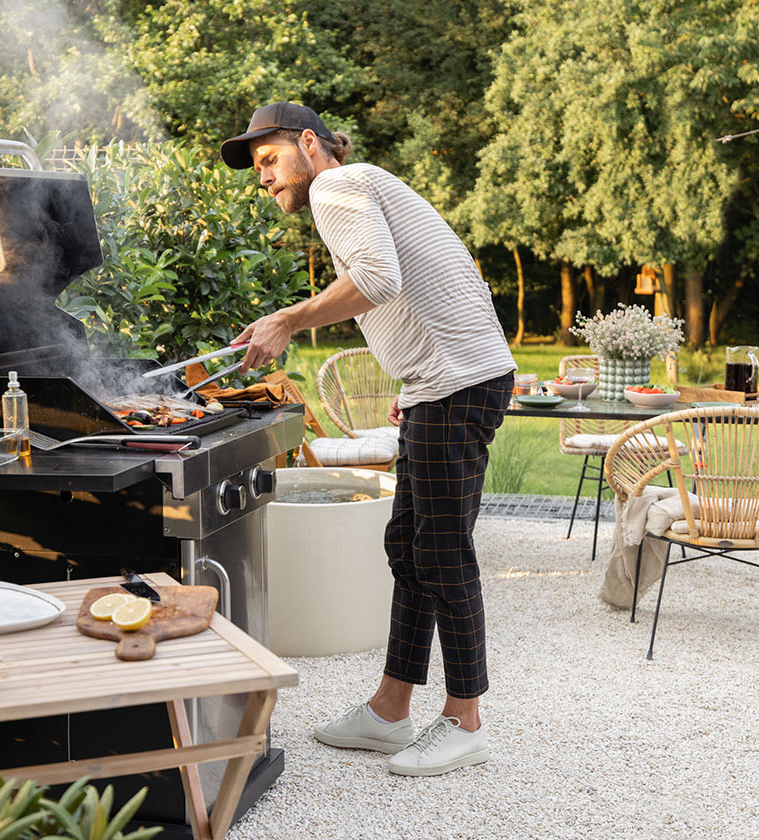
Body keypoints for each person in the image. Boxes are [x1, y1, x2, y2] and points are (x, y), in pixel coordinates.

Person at [222, 102, 517, 777]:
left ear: (307, 143)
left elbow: (378, 280)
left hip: (455, 384)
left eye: (269, 160)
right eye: (257, 169)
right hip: (441, 383)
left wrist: (288, 320)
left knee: (441, 551)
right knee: (408, 545)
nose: (263, 178)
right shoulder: (363, 186)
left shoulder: (336, 185)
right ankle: (389, 711)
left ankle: (465, 720)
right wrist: (412, 367)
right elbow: (424, 273)